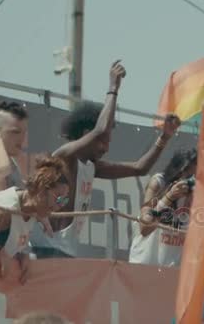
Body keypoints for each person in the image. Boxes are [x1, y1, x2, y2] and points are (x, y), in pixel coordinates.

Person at [29, 60, 181, 259]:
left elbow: (139, 168)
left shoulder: (92, 166)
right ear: (86, 134)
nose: (106, 148)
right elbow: (101, 128)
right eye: (103, 141)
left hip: (66, 251)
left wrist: (165, 137)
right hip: (45, 249)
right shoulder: (65, 156)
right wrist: (113, 88)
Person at [0, 156, 69, 284]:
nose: (61, 205)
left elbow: (16, 238)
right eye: (59, 199)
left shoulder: (32, 210)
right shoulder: (6, 210)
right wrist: (0, 252)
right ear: (41, 190)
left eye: (65, 200)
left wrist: (22, 255)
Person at [129, 148, 196, 266]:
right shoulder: (159, 183)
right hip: (144, 265)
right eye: (189, 176)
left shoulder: (198, 192)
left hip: (172, 270)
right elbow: (145, 228)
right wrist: (169, 197)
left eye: (195, 177)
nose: (190, 182)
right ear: (178, 172)